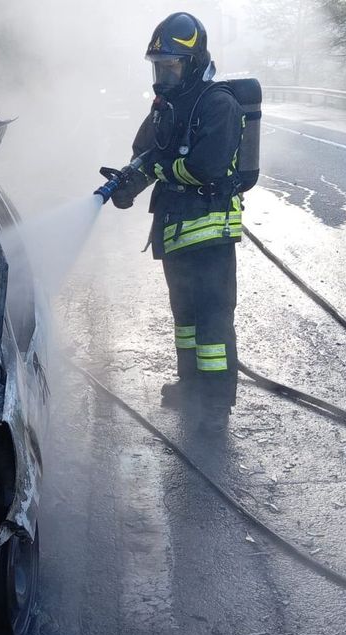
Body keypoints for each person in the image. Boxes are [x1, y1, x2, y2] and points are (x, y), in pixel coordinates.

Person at [111, 11, 245, 433]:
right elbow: (145, 152)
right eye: (159, 67)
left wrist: (159, 170)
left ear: (192, 62)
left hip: (210, 230)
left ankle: (216, 402)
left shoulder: (218, 104)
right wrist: (128, 182)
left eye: (170, 66)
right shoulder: (166, 106)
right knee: (184, 315)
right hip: (175, 230)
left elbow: (205, 167)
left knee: (212, 319)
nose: (163, 76)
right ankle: (190, 386)